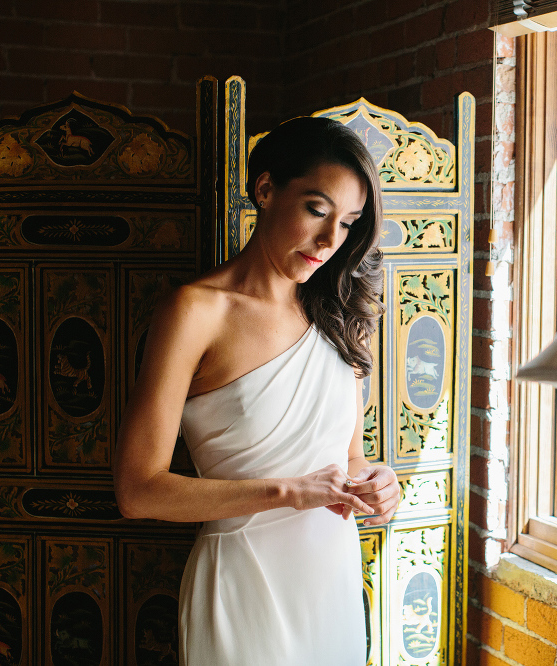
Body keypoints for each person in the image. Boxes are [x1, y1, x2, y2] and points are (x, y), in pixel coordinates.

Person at [113, 116, 399, 665]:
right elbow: (138, 490)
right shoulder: (194, 312)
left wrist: (379, 483)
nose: (329, 240)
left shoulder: (339, 311)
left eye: (348, 223)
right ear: (265, 189)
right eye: (317, 210)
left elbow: (349, 460)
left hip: (331, 582)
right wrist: (287, 492)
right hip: (242, 582)